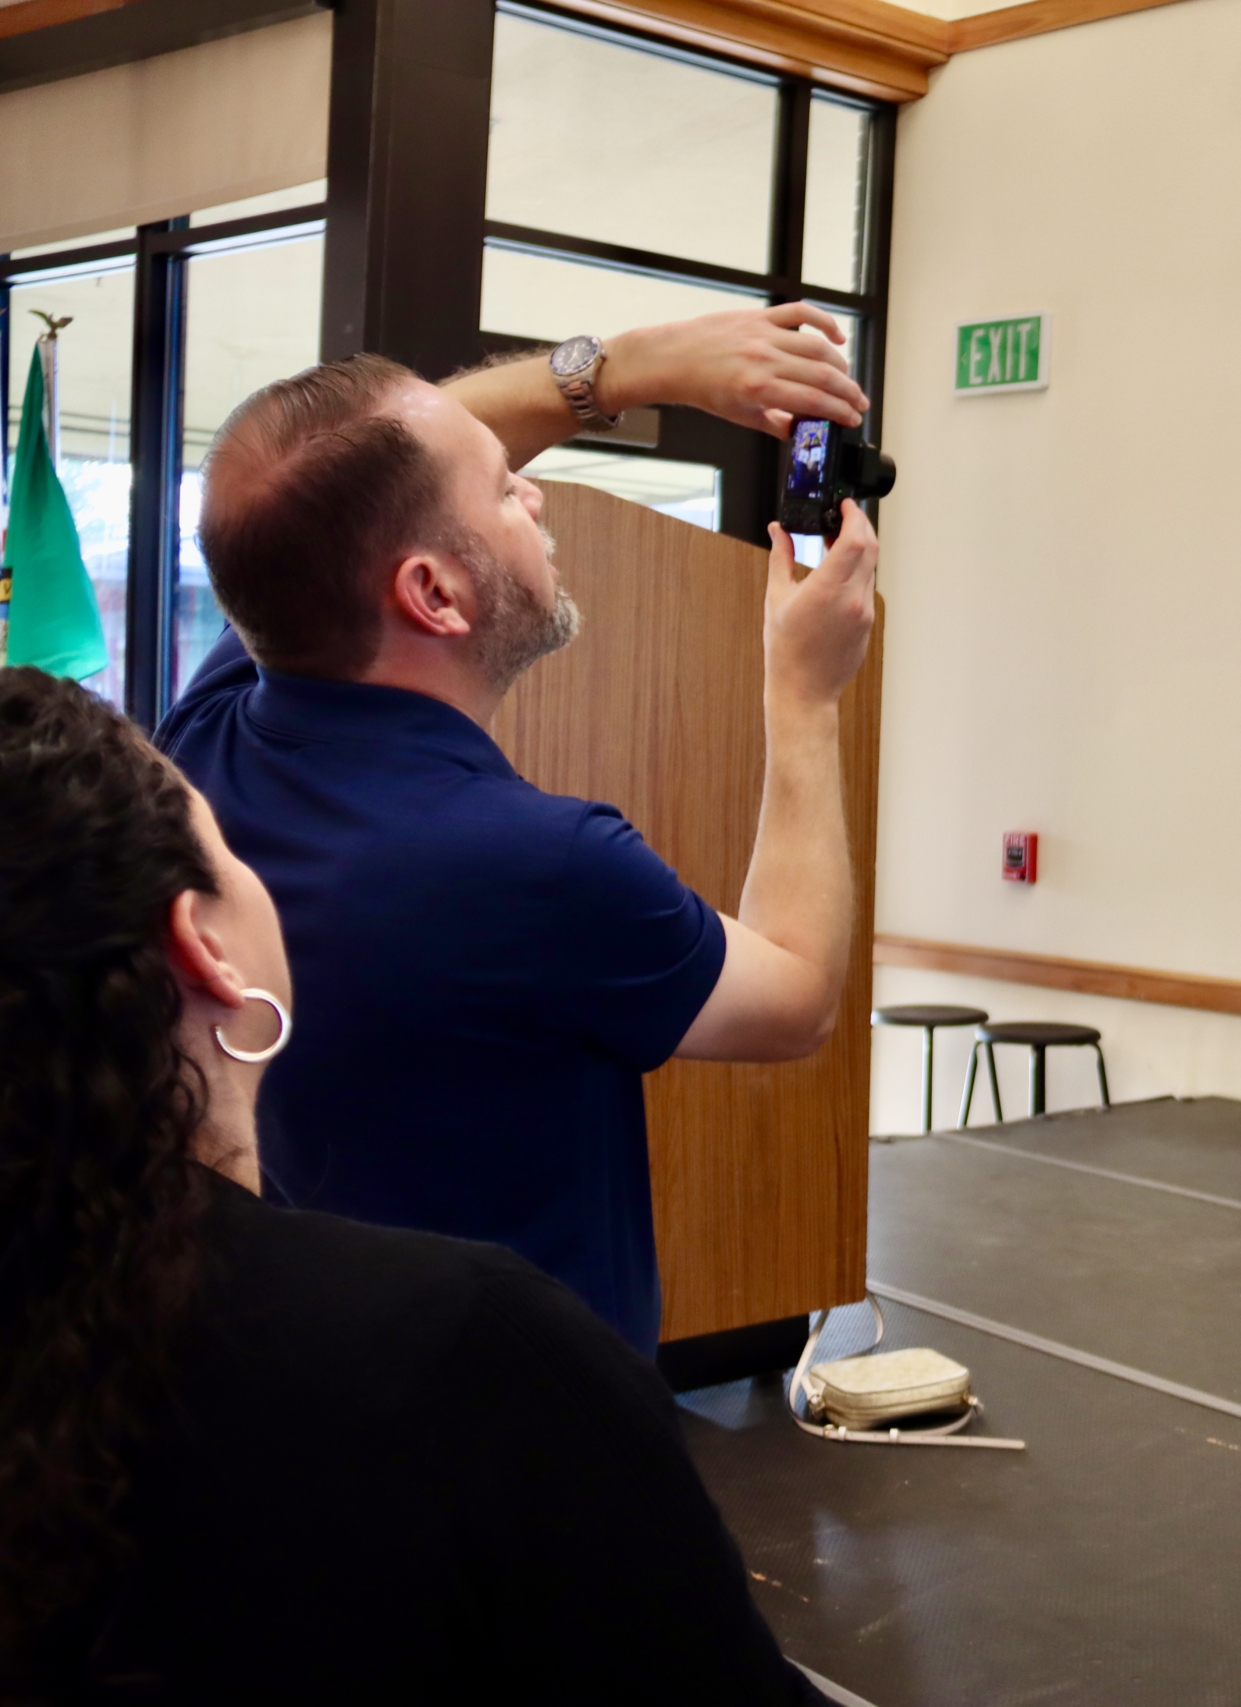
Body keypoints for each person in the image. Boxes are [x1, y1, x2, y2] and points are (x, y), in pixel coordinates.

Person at [0, 667, 823, 1701]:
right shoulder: (480, 1354)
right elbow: (799, 996)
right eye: (229, 846)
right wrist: (803, 686)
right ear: (203, 949)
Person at [155, 306, 878, 1350]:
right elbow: (798, 997)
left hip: (304, 1404)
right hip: (528, 1454)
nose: (532, 492)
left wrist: (629, 370)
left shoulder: (205, 737)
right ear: (433, 593)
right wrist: (804, 696)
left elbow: (347, 476)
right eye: (502, 490)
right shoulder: (541, 866)